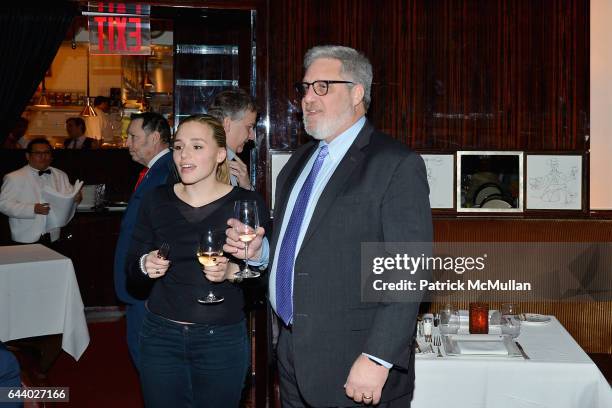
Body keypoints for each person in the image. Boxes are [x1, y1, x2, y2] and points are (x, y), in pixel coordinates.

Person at [225, 45, 433, 407]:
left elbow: (409, 272)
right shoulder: (298, 161)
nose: (308, 98)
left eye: (322, 86)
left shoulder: (395, 165)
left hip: (356, 360)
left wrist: (378, 357)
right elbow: (297, 246)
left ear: (357, 92)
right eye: (305, 88)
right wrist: (261, 254)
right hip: (291, 353)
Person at [125, 114, 269, 407]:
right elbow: (131, 270)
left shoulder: (246, 204)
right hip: (160, 336)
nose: (184, 155)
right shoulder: (157, 200)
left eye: (197, 146)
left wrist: (232, 272)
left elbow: (263, 278)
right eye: (178, 147)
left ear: (219, 154)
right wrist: (145, 264)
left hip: (222, 339)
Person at [113, 112, 176, 369]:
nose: (127, 143)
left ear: (155, 138)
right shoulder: (154, 171)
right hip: (140, 279)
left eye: (133, 137)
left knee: (149, 356)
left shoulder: (166, 171)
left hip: (148, 283)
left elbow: (164, 231)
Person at [0, 138, 81, 244]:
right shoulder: (14, 177)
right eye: (38, 153)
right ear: (28, 156)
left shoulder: (60, 174)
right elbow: (3, 204)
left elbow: (70, 197)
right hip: (26, 236)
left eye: (47, 153)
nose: (43, 156)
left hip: (55, 235)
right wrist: (32, 209)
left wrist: (76, 199)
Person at [207, 89, 257, 189]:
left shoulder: (231, 163)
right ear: (227, 124)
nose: (252, 136)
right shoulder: (208, 165)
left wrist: (246, 186)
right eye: (249, 127)